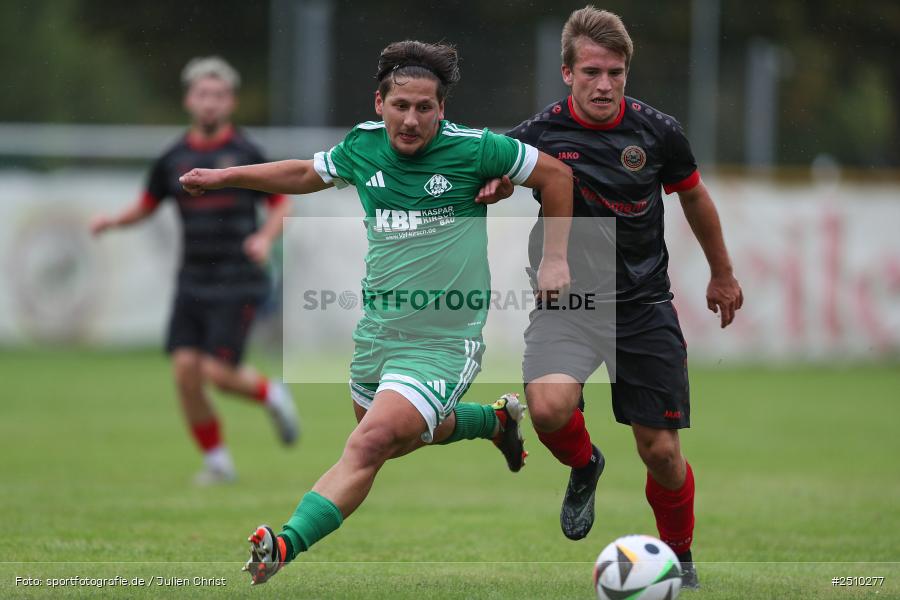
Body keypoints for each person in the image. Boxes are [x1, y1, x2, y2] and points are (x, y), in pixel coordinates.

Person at [180, 40, 573, 585]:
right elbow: (301, 176)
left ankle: (283, 546)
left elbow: (557, 176)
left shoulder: (478, 150)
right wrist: (224, 178)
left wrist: (555, 260)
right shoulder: (362, 148)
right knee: (395, 436)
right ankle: (494, 420)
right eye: (400, 106)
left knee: (370, 443)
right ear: (379, 103)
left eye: (424, 108)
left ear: (442, 110)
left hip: (444, 338)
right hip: (378, 333)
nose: (411, 120)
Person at [476, 6, 744, 588]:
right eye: (592, 71)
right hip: (569, 304)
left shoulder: (658, 131)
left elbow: (694, 199)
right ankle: (584, 464)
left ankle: (679, 556)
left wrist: (722, 273)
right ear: (567, 72)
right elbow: (490, 176)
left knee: (661, 452)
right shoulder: (540, 134)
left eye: (616, 73)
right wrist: (492, 186)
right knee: (546, 409)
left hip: (643, 305)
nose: (605, 84)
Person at [91, 56, 299, 485]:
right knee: (185, 372)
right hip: (192, 280)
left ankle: (270, 393)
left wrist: (264, 239)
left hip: (238, 279)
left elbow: (282, 202)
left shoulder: (245, 153)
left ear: (231, 103)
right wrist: (113, 221)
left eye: (219, 95)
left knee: (218, 375)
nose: (210, 103)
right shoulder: (172, 158)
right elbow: (147, 205)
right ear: (189, 99)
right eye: (203, 94)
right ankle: (218, 462)